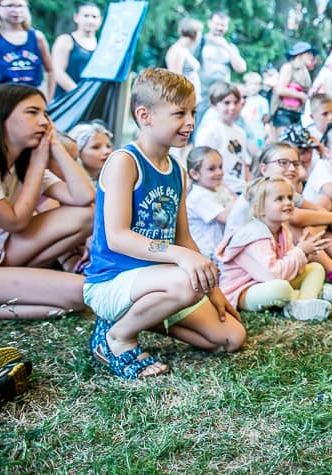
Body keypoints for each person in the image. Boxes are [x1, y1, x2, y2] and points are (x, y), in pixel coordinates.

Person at [83, 68, 246, 379]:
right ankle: (117, 337)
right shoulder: (125, 162)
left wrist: (212, 289)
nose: (191, 122)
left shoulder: (177, 170)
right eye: (179, 113)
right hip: (111, 281)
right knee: (185, 281)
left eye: (193, 112)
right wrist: (182, 258)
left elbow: (183, 238)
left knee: (230, 338)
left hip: (160, 282)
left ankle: (141, 317)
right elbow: (117, 237)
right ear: (144, 116)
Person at [0, 84, 95, 317]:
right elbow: (15, 222)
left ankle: (9, 289)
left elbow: (84, 197)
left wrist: (55, 146)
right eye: (32, 112)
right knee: (78, 293)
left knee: (88, 214)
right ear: (0, 117)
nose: (45, 122)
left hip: (0, 255)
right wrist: (38, 163)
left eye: (45, 114)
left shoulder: (22, 165)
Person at [226, 143, 332, 297]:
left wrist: (325, 218)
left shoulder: (282, 189)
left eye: (295, 164)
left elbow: (316, 209)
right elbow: (294, 217)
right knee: (298, 228)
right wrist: (331, 218)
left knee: (311, 227)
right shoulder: (258, 190)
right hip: (249, 259)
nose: (291, 168)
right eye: (283, 163)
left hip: (272, 250)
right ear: (264, 168)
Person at [215, 176, 332, 321]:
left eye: (289, 198)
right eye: (279, 199)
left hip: (271, 280)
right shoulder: (254, 236)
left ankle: (303, 303)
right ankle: (311, 295)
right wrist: (300, 251)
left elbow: (289, 266)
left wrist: (305, 254)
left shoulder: (283, 230)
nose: (288, 202)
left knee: (315, 268)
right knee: (280, 288)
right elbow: (272, 275)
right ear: (259, 209)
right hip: (244, 290)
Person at [0, 0, 54, 100]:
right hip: (0, 102)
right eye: (10, 5)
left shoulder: (37, 37)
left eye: (20, 6)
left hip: (30, 100)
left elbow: (50, 71)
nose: (16, 11)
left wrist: (48, 99)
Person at [195, 81, 251, 195]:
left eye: (236, 102)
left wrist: (249, 187)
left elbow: (243, 163)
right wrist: (229, 194)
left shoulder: (240, 132)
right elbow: (203, 167)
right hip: (219, 191)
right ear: (215, 105)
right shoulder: (210, 131)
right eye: (226, 103)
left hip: (240, 189)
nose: (232, 107)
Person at [185, 146, 237, 260]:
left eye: (220, 167)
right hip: (207, 255)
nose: (219, 172)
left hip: (220, 249)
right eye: (211, 169)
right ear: (194, 174)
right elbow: (227, 217)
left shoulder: (219, 188)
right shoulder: (198, 196)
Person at [197, 11, 246, 112]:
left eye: (223, 25)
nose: (219, 28)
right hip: (201, 97)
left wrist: (226, 46)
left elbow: (241, 68)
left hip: (222, 98)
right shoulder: (199, 41)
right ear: (209, 23)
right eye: (217, 24)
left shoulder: (230, 46)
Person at [51, 2, 102, 98]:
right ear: (76, 17)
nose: (90, 20)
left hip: (93, 99)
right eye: (86, 16)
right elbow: (57, 72)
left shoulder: (102, 46)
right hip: (67, 99)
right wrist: (78, 93)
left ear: (100, 20)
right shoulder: (65, 40)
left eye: (94, 17)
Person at [270, 41, 317, 134]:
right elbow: (280, 90)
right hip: (284, 113)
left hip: (298, 113)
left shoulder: (305, 72)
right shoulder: (288, 67)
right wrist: (301, 95)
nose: (311, 56)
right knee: (284, 141)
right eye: (308, 54)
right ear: (299, 54)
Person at [165, 18, 203, 105]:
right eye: (200, 32)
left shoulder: (185, 50)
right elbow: (176, 79)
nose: (201, 36)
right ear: (193, 32)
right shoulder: (177, 51)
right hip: (184, 101)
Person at [239, 72, 270, 157]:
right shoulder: (242, 100)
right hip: (244, 131)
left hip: (258, 133)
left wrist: (267, 131)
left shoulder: (263, 101)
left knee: (258, 152)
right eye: (250, 84)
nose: (253, 87)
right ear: (245, 85)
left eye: (256, 84)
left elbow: (265, 119)